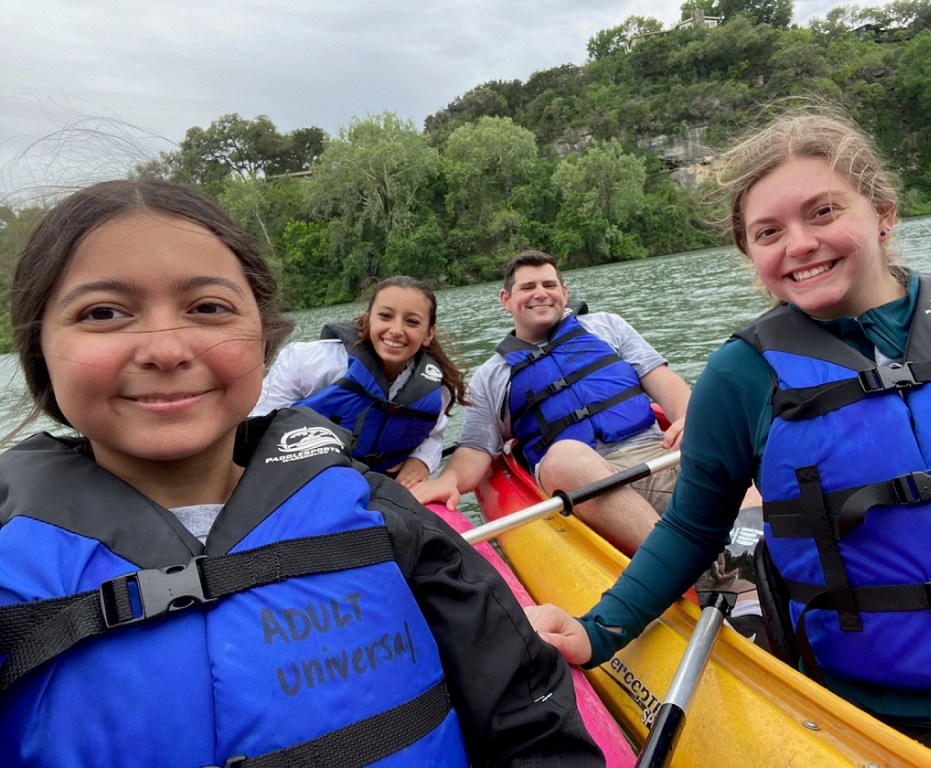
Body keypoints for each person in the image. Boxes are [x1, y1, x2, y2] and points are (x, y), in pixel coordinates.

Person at [0, 180, 603, 767]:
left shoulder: (388, 515)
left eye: (208, 308)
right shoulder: (319, 365)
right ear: (39, 350)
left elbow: (528, 720)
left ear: (261, 338)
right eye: (103, 313)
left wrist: (416, 475)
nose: (166, 349)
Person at [526, 107, 931, 767]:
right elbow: (691, 528)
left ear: (883, 211)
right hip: (898, 718)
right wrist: (596, 631)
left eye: (823, 212)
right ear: (750, 254)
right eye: (769, 232)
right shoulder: (741, 375)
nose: (799, 244)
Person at [413, 250, 692, 555]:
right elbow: (479, 446)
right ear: (506, 300)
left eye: (549, 285)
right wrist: (450, 479)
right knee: (566, 456)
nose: (540, 294)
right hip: (579, 482)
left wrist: (688, 418)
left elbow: (663, 380)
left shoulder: (606, 326)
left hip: (656, 455)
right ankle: (678, 560)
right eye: (528, 287)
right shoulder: (492, 375)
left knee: (719, 429)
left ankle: (741, 558)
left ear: (564, 292)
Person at [251, 276, 468, 488]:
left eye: (412, 322)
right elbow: (257, 426)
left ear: (429, 333)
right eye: (385, 316)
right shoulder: (307, 362)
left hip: (379, 486)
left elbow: (434, 434)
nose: (396, 330)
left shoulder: (436, 391)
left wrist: (422, 460)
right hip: (300, 482)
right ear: (368, 319)